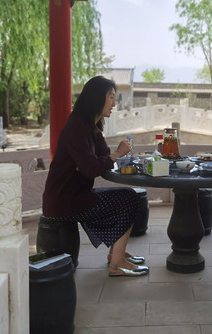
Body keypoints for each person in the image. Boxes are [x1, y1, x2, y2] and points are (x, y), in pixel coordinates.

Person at [42, 76, 148, 277]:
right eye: (111, 97)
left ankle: (115, 254)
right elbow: (94, 166)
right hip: (65, 200)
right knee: (129, 199)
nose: (114, 103)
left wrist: (96, 162)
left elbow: (98, 159)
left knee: (127, 196)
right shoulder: (76, 127)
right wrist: (115, 155)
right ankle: (117, 263)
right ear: (96, 97)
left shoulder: (92, 128)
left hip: (77, 195)